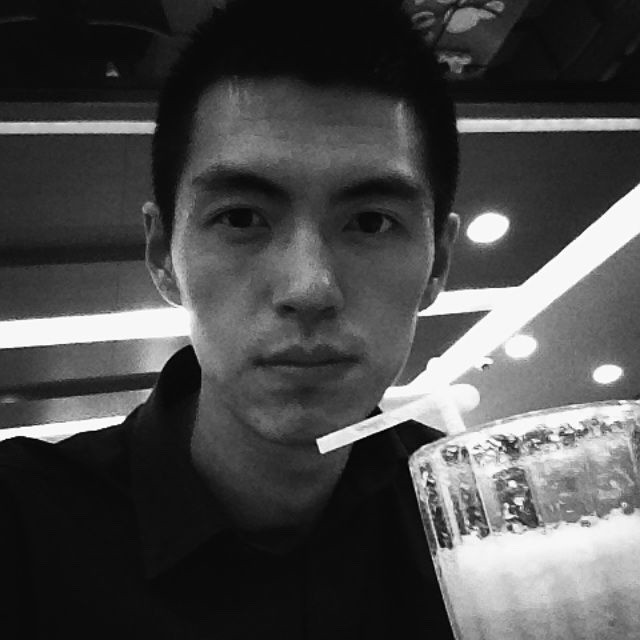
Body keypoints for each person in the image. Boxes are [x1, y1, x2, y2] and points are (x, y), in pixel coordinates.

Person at [0, 0, 461, 636]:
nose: (309, 288)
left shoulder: (477, 511)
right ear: (162, 254)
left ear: (439, 264)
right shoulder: (22, 524)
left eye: (371, 222)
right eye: (241, 217)